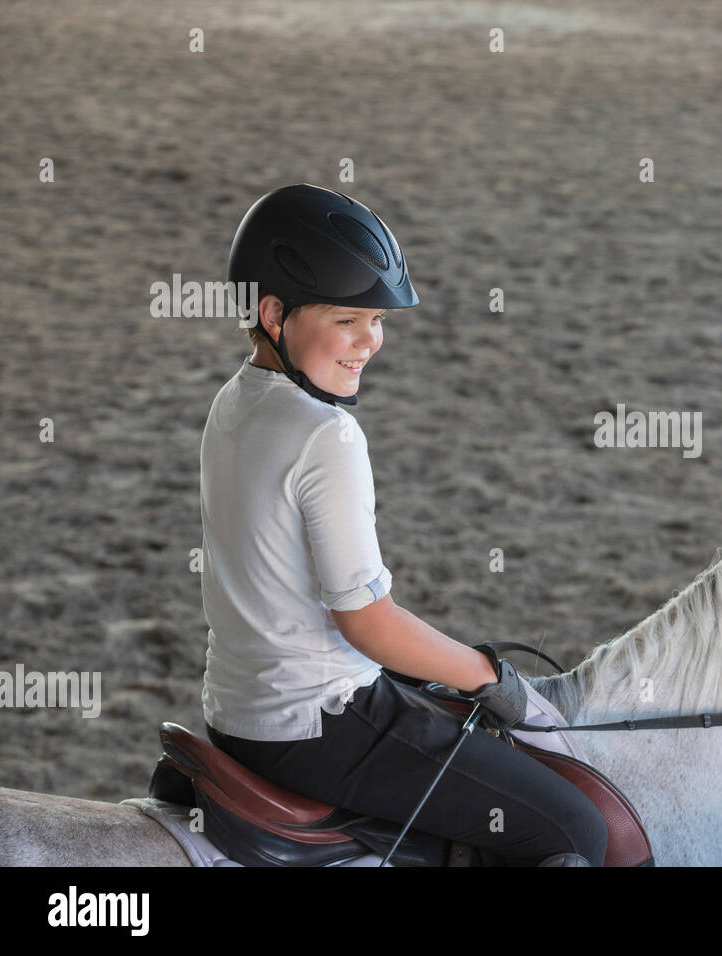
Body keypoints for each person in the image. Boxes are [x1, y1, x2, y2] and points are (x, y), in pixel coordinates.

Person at [198, 183, 607, 866]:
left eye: (377, 322)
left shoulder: (233, 401)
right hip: (320, 722)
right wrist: (489, 676)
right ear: (275, 314)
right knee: (572, 830)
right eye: (347, 321)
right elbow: (367, 622)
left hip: (235, 715)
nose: (370, 344)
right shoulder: (327, 435)